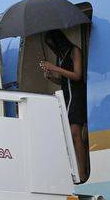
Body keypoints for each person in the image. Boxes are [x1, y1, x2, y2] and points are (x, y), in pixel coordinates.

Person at [39, 29, 87, 182]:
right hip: (67, 96)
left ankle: (83, 172)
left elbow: (77, 75)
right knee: (69, 135)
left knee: (75, 133)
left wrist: (55, 68)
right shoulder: (61, 57)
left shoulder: (75, 51)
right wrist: (51, 77)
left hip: (77, 96)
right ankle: (76, 169)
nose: (53, 48)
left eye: (53, 44)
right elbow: (64, 81)